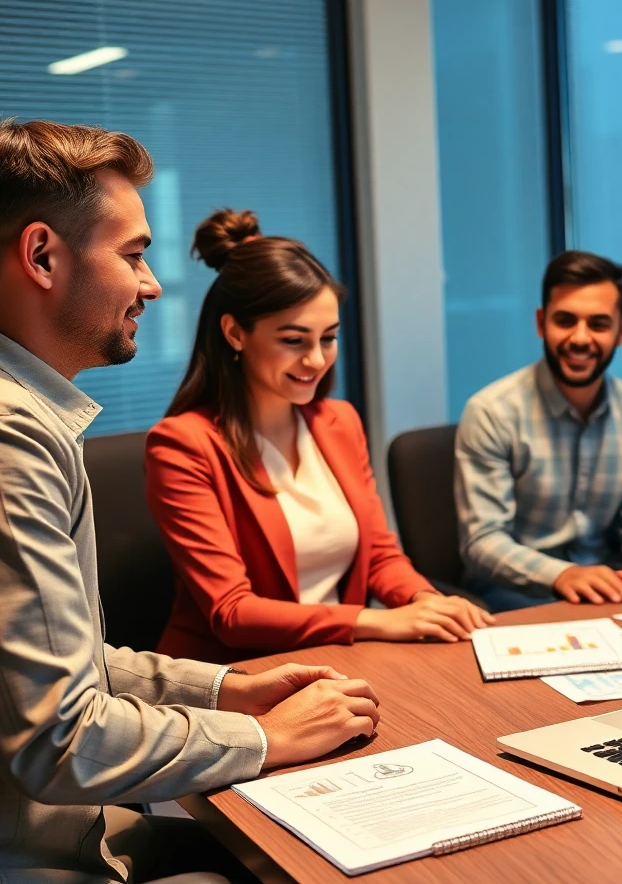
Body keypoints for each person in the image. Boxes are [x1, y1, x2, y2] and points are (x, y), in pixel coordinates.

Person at [0, 119, 380, 884]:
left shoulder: (27, 419)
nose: (154, 285)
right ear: (44, 257)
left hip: (62, 835)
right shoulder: (2, 438)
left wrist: (229, 693)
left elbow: (72, 663)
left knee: (313, 867)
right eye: (132, 255)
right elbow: (60, 740)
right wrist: (269, 738)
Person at [146, 208, 492, 663]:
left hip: (340, 656)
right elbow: (232, 612)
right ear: (234, 333)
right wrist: (373, 621)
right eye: (294, 340)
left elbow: (381, 556)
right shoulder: (182, 445)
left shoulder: (339, 421)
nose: (316, 360)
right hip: (237, 674)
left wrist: (421, 601)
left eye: (328, 338)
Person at [454, 250, 622, 613]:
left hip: (606, 579)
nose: (580, 338)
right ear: (541, 323)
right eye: (565, 321)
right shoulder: (492, 412)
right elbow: (482, 542)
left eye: (599, 324)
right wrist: (563, 575)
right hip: (515, 590)